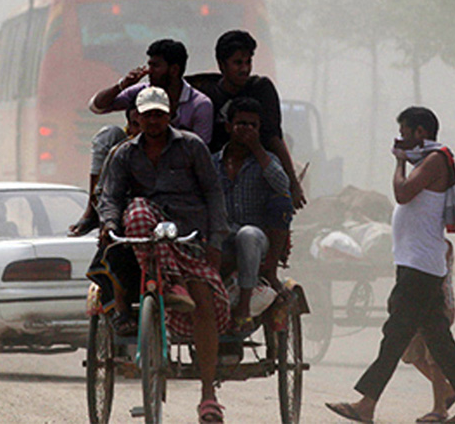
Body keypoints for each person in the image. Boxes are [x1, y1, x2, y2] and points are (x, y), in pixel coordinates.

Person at [327, 106, 455, 424]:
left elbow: (402, 193)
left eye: (404, 132)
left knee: (395, 335)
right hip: (418, 264)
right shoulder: (428, 161)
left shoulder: (435, 159)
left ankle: (366, 404)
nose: (400, 139)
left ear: (420, 132)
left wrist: (399, 162)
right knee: (438, 340)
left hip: (420, 267)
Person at [96, 86, 231, 424]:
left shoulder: (192, 147)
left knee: (204, 300)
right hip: (145, 243)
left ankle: (208, 396)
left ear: (169, 115)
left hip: (188, 236)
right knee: (137, 210)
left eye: (159, 114)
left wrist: (216, 241)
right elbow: (111, 197)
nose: (153, 121)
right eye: (147, 115)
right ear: (137, 118)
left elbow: (214, 194)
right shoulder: (124, 154)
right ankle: (167, 285)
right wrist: (109, 224)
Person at [194, 29, 306, 210]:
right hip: (219, 172)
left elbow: (274, 138)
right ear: (221, 65)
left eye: (248, 62)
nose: (245, 69)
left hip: (257, 168)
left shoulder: (261, 89)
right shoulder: (207, 95)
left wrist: (293, 183)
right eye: (238, 63)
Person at [213, 97, 293, 328]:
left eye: (252, 125)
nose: (246, 129)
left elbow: (283, 185)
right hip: (222, 234)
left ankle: (244, 306)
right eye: (241, 124)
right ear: (229, 126)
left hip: (256, 237)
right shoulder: (213, 162)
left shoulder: (267, 161)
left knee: (247, 235)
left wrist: (257, 149)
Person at [88, 38, 213, 144]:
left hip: (179, 163)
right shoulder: (141, 92)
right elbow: (97, 107)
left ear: (174, 70)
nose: (149, 71)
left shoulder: (200, 105)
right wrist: (122, 86)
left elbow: (200, 150)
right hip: (138, 158)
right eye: (149, 65)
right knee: (109, 134)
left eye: (155, 66)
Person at [402, 240, 455, 423]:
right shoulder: (421, 243)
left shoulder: (441, 246)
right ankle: (448, 390)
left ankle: (439, 408)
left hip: (437, 306)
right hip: (421, 306)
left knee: (434, 358)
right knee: (411, 353)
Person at [69, 106, 140, 236]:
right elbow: (97, 105)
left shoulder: (178, 145)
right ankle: (92, 210)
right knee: (109, 134)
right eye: (136, 125)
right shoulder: (122, 151)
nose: (141, 131)